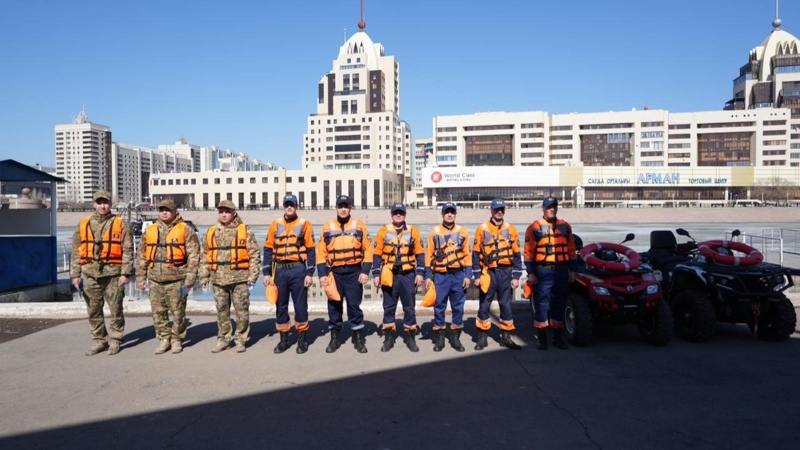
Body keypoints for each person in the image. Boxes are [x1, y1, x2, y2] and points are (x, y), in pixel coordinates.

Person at [70, 190, 134, 356]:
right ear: (94, 204)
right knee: (93, 310)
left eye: (105, 202)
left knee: (116, 309)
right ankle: (100, 340)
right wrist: (75, 275)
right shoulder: (83, 224)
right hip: (90, 274)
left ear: (110, 204)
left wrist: (125, 273)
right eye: (99, 203)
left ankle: (115, 339)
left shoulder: (121, 224)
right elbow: (76, 251)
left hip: (113, 274)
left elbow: (127, 250)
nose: (102, 206)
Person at [136, 199, 201, 355]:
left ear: (174, 212)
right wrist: (140, 277)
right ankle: (164, 338)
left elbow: (194, 255)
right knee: (158, 312)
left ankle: (177, 339)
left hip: (176, 279)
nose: (164, 213)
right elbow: (141, 255)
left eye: (167, 210)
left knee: (178, 312)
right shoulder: (150, 230)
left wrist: (190, 278)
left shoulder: (185, 229)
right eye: (161, 210)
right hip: (154, 279)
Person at [200, 200, 261, 354]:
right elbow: (205, 255)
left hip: (240, 279)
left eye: (227, 212)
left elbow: (254, 254)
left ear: (234, 213)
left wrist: (253, 276)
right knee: (221, 311)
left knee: (242, 311)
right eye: (221, 212)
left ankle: (241, 339)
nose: (224, 215)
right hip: (218, 279)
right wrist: (204, 276)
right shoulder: (211, 231)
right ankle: (224, 340)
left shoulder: (245, 230)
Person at [317, 195, 373, 354]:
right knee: (334, 306)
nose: (343, 209)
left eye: (346, 206)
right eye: (340, 206)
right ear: (336, 208)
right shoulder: (327, 226)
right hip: (334, 273)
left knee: (354, 305)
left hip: (354, 272)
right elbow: (321, 252)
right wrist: (322, 274)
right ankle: (335, 338)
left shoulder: (359, 225)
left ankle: (358, 337)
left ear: (350, 208)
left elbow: (368, 250)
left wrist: (365, 271)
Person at [262, 194, 316, 354]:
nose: (289, 207)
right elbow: (267, 249)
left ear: (297, 206)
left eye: (292, 204)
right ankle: (284, 340)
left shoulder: (304, 224)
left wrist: (309, 273)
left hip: (298, 270)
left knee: (300, 305)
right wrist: (266, 272)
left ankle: (302, 339)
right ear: (283, 206)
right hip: (279, 270)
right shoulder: (275, 225)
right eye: (287, 204)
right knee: (281, 305)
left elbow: (311, 250)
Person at [524, 195, 578, 350]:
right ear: (543, 209)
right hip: (543, 271)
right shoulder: (534, 227)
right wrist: (531, 273)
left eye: (554, 207)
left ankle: (557, 337)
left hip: (561, 271)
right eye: (549, 207)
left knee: (559, 303)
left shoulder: (565, 227)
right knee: (541, 304)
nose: (552, 209)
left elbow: (571, 250)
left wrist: (573, 270)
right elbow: (528, 253)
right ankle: (542, 337)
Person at [372, 203, 425, 352]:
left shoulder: (413, 231)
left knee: (409, 307)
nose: (398, 215)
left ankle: (410, 337)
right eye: (396, 212)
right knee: (388, 307)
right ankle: (389, 337)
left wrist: (420, 273)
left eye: (401, 212)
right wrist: (376, 274)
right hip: (389, 274)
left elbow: (420, 254)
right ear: (391, 214)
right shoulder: (383, 231)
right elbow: (376, 254)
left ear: (405, 215)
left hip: (408, 275)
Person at [472, 198, 523, 351]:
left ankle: (506, 337)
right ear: (491, 210)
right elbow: (475, 254)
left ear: (504, 211)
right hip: (488, 273)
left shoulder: (511, 229)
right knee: (484, 304)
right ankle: (482, 337)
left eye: (501, 209)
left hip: (506, 272)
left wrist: (516, 277)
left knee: (506, 305)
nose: (499, 212)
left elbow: (517, 255)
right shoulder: (481, 229)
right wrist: (477, 276)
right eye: (496, 209)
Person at [424, 201, 473, 352]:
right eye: (447, 212)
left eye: (452, 212)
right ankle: (440, 339)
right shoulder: (434, 232)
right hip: (441, 276)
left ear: (456, 214)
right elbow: (428, 255)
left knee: (458, 307)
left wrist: (468, 275)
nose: (449, 214)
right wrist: (428, 276)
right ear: (442, 214)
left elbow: (467, 255)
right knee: (439, 307)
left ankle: (455, 338)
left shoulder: (463, 231)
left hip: (458, 275)